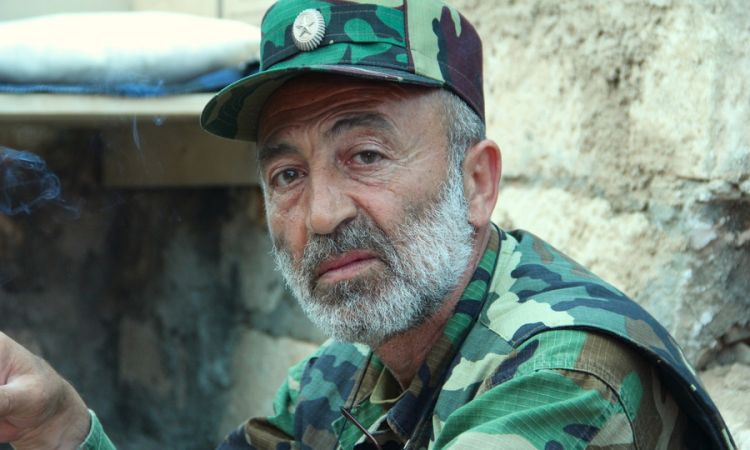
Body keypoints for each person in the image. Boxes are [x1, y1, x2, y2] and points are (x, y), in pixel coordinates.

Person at [0, 0, 737, 449]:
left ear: (476, 183)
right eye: (288, 175)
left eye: (366, 156)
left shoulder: (564, 383)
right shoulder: (342, 375)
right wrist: (62, 429)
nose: (322, 215)